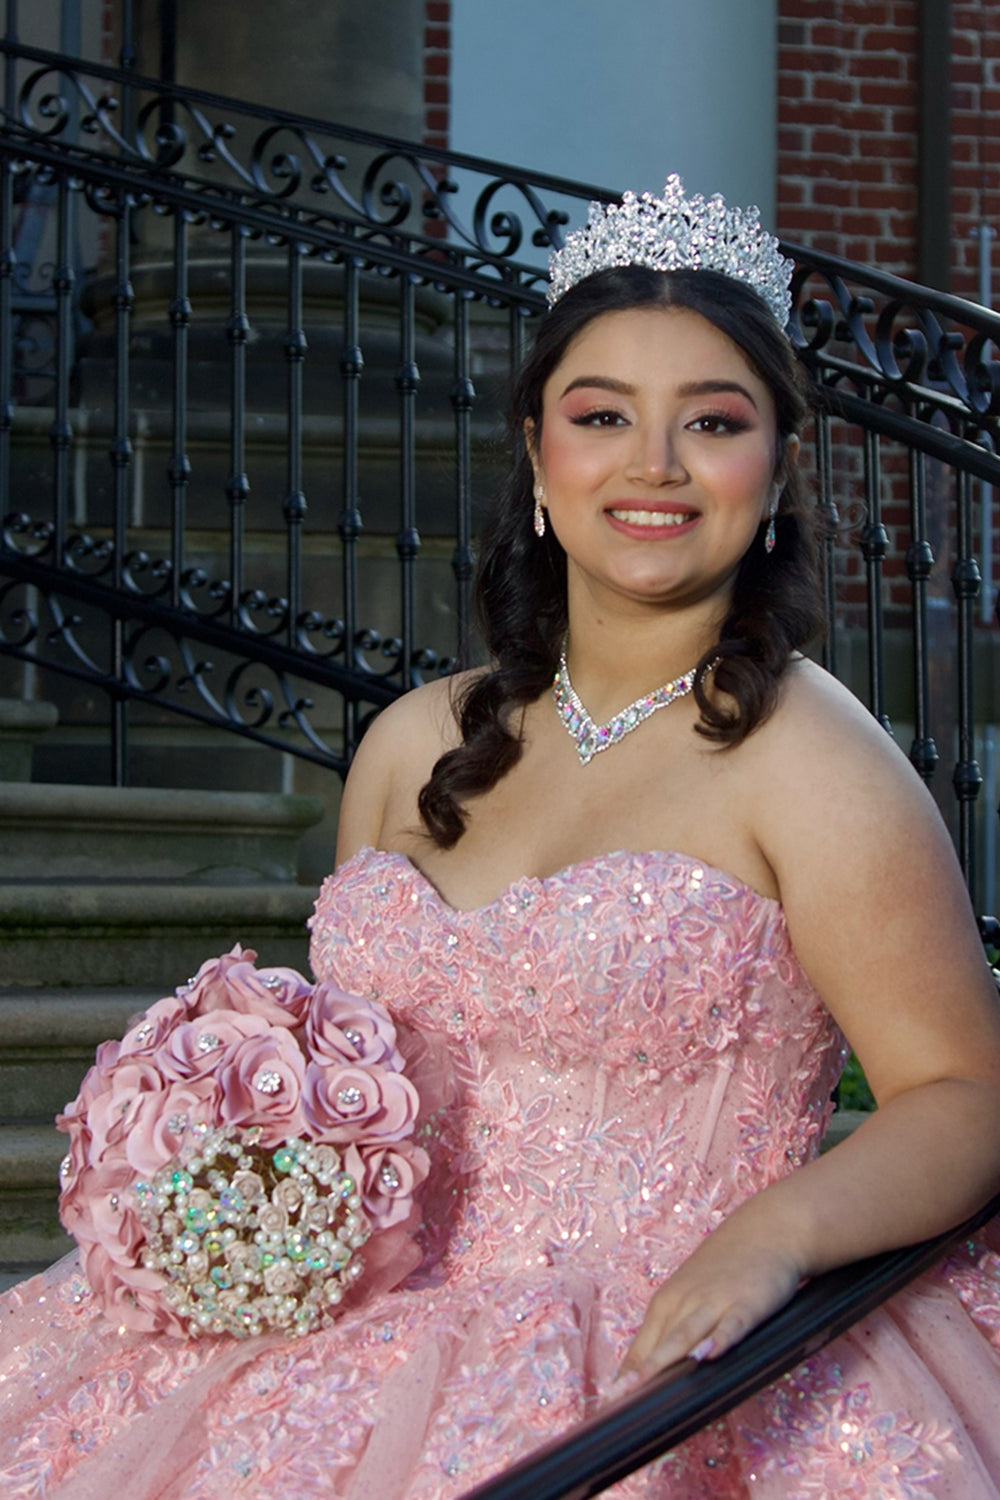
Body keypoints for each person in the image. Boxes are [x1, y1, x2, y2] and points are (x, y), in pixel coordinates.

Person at [2, 177, 1000, 1498]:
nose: (653, 465)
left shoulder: (820, 766)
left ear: (777, 468)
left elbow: (966, 1096)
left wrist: (777, 1236)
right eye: (603, 418)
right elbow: (347, 1085)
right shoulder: (412, 745)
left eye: (712, 422)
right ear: (539, 458)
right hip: (346, 1359)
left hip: (663, 1353)